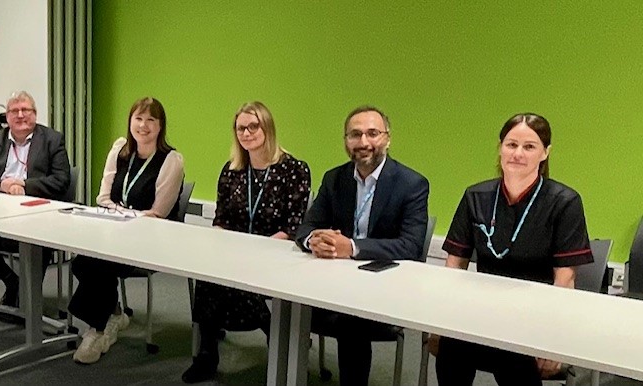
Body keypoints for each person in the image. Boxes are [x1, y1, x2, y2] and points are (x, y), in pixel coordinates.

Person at [435, 113, 591, 385]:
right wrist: (438, 325)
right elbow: (454, 266)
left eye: (529, 147)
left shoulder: (564, 202)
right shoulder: (476, 196)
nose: (518, 153)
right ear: (500, 148)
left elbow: (564, 280)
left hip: (532, 321)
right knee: (451, 348)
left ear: (545, 153)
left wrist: (553, 340)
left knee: (514, 359)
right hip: (480, 312)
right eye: (511, 144)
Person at [294, 105, 429, 386]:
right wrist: (314, 240)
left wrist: (352, 247)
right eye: (355, 135)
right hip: (332, 280)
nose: (364, 142)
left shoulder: (412, 184)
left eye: (372, 133)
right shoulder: (335, 179)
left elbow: (411, 246)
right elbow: (306, 228)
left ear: (387, 138)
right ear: (346, 140)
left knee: (350, 322)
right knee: (288, 304)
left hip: (382, 285)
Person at [183, 101, 311, 382]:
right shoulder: (232, 170)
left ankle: (276, 334)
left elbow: (294, 225)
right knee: (208, 275)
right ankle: (207, 354)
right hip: (234, 251)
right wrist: (219, 241)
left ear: (267, 128)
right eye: (241, 128)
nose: (247, 133)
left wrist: (257, 250)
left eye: (254, 126)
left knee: (238, 278)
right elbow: (222, 217)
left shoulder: (294, 169)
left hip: (277, 251)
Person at [69, 97, 185, 364]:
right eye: (138, 119)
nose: (143, 126)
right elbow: (103, 198)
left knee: (94, 265)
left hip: (149, 238)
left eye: (150, 120)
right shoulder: (120, 151)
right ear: (130, 122)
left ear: (160, 126)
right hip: (114, 231)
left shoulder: (170, 161)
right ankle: (112, 314)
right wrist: (120, 214)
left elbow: (159, 213)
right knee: (84, 263)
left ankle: (97, 330)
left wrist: (125, 214)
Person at [0, 91, 72, 308]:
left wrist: (23, 185)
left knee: (39, 240)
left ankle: (29, 295)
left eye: (25, 110)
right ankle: (12, 282)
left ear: (35, 114)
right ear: (7, 117)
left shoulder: (52, 140)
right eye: (14, 111)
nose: (20, 115)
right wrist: (2, 185)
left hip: (40, 216)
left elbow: (61, 181)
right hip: (1, 216)